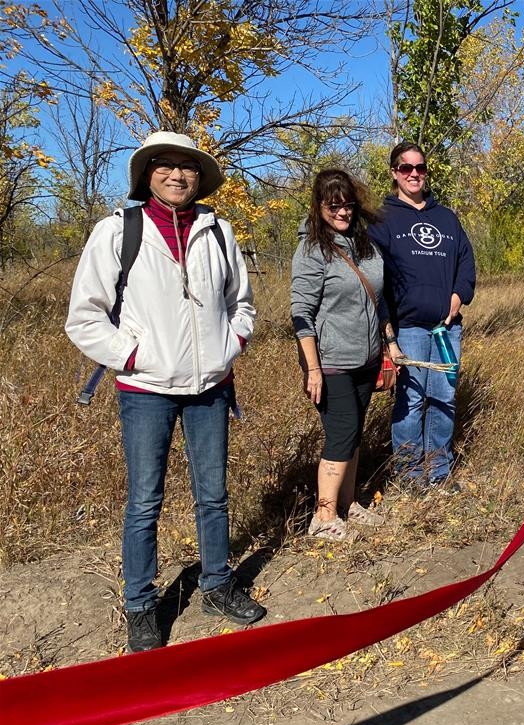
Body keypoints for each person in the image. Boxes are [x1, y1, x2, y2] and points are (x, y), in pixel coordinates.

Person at [65, 131, 266, 653]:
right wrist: (133, 356)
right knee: (144, 501)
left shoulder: (217, 231)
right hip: (146, 389)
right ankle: (140, 606)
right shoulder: (118, 231)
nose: (177, 174)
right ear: (147, 174)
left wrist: (230, 344)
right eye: (165, 165)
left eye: (188, 166)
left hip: (210, 388)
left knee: (213, 494)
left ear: (200, 177)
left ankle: (217, 585)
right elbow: (84, 317)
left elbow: (242, 303)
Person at [291, 168, 395, 541]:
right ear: (318, 206)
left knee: (354, 434)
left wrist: (390, 344)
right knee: (342, 432)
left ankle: (348, 505)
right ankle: (323, 517)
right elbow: (301, 312)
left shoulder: (364, 245)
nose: (342, 212)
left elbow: (379, 301)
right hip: (330, 361)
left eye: (348, 204)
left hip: (367, 358)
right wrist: (313, 369)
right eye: (333, 206)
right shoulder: (312, 250)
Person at [369, 141, 476, 492]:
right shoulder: (382, 220)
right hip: (407, 328)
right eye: (406, 168)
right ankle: (409, 476)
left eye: (420, 168)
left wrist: (458, 297)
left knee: (443, 397)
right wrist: (387, 334)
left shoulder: (446, 218)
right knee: (411, 401)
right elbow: (373, 275)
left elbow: (466, 263)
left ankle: (438, 472)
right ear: (394, 172)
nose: (414, 174)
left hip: (446, 329)